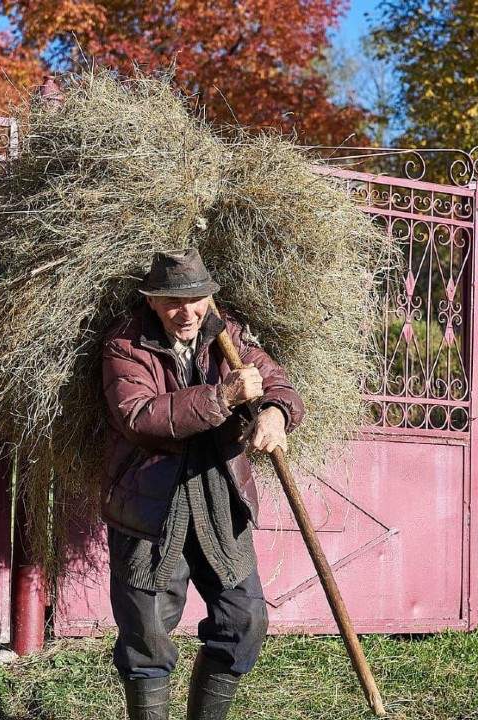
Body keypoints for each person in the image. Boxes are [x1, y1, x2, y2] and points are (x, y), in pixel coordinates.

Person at [99, 248, 305, 720]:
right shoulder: (125, 346)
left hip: (218, 499)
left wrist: (276, 412)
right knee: (146, 636)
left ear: (210, 298)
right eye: (172, 300)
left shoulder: (226, 335)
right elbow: (139, 416)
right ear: (151, 301)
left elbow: (276, 382)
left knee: (244, 620)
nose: (186, 311)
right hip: (150, 507)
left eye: (196, 299)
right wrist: (222, 397)